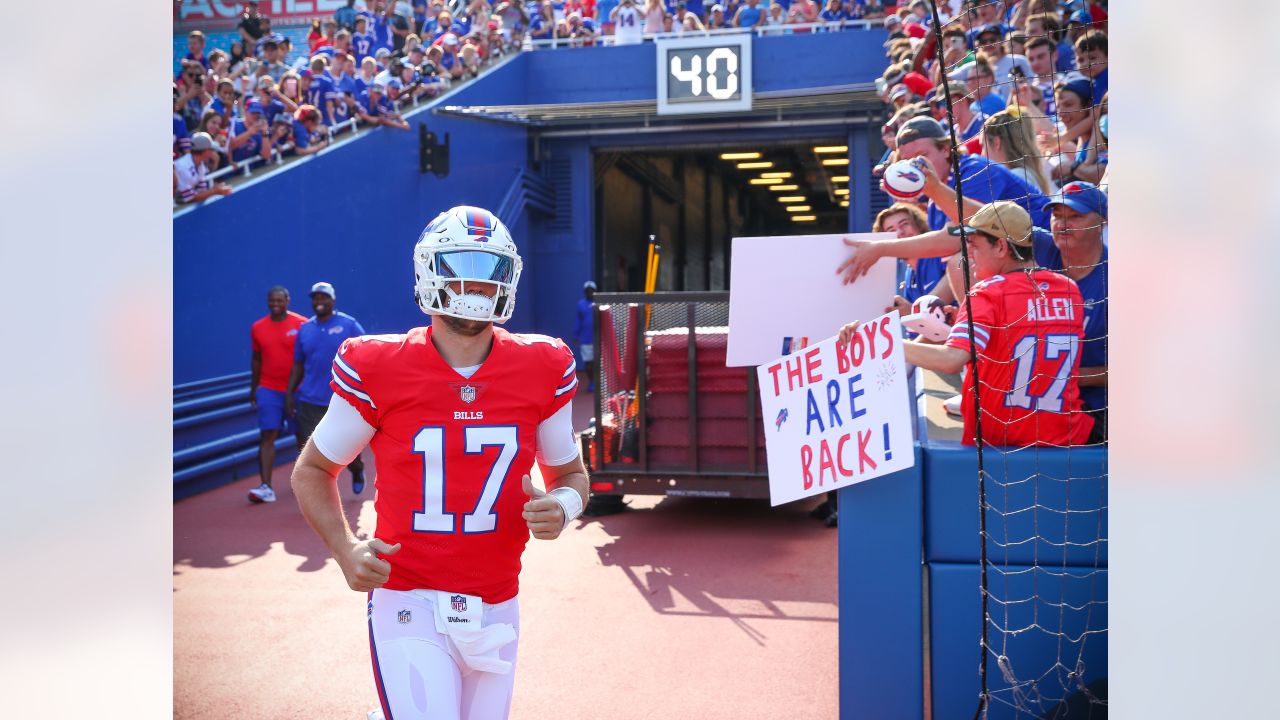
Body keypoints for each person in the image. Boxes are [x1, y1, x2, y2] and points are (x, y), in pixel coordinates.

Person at [291, 206, 588, 720]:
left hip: (498, 602)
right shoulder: (377, 364)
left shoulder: (544, 365)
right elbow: (313, 469)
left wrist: (561, 506)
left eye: (490, 267)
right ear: (432, 269)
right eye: (464, 264)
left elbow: (572, 476)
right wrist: (344, 549)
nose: (476, 281)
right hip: (409, 598)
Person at [838, 201, 1093, 447]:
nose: (968, 253)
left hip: (1001, 447)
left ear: (1002, 247)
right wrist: (960, 321)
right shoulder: (1068, 288)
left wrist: (880, 340)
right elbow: (1021, 334)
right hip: (1066, 443)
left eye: (973, 244)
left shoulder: (987, 292)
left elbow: (950, 361)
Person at [287, 282, 369, 495]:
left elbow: (366, 354)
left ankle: (357, 469)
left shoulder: (349, 325)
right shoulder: (305, 329)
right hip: (309, 399)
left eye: (323, 298)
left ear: (332, 300)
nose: (319, 302)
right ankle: (314, 488)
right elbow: (298, 364)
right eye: (315, 298)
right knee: (308, 445)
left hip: (342, 398)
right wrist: (289, 394)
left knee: (347, 445)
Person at [247, 287, 309, 504]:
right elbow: (256, 359)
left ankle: (305, 484)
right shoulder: (258, 327)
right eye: (272, 300)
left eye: (280, 300)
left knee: (302, 437)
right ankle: (266, 487)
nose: (275, 304)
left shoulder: (302, 324)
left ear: (288, 301)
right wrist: (253, 388)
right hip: (268, 388)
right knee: (267, 435)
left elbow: (308, 358)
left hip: (298, 390)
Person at [173, 133, 232, 204]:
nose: (214, 152)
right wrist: (215, 191)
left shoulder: (201, 166)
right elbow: (190, 198)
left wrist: (216, 190)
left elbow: (202, 192)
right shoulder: (183, 167)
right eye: (212, 150)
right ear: (205, 151)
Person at [574, 281, 596, 392]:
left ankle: (598, 383)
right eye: (588, 291)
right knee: (588, 363)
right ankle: (592, 382)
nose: (590, 293)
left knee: (597, 362)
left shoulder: (598, 303)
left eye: (592, 290)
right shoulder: (581, 304)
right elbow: (578, 321)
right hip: (585, 339)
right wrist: (576, 335)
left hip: (598, 339)